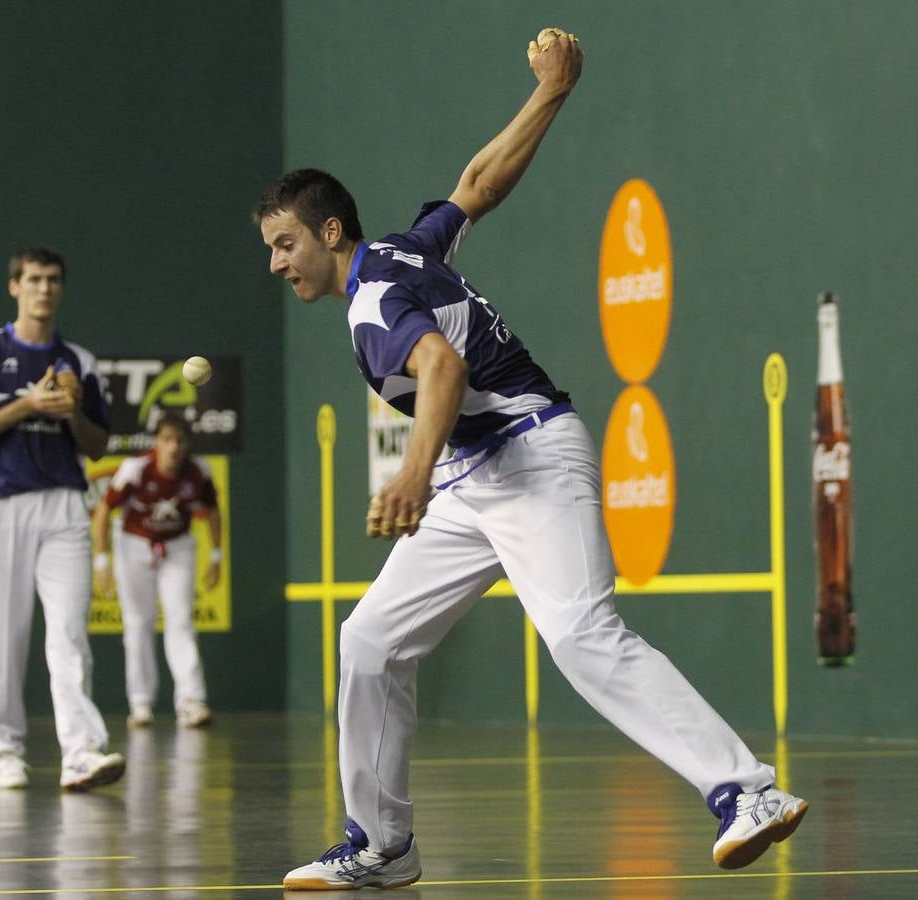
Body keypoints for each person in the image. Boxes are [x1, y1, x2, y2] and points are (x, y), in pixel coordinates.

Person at [254, 30, 807, 891]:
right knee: (368, 641)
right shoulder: (402, 249)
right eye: (269, 249)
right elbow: (477, 187)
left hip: (530, 456)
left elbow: (443, 365)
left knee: (582, 636)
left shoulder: (370, 303)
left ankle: (747, 791)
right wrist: (552, 89)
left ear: (329, 231)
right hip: (471, 482)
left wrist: (407, 471)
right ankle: (382, 844)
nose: (277, 262)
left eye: (285, 243)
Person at [0, 246, 126, 792]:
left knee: (70, 633)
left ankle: (80, 752)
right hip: (2, 505)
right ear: (14, 287)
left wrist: (71, 412)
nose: (43, 289)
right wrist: (27, 404)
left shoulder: (81, 362)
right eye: (33, 280)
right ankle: (6, 751)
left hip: (65, 509)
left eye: (52, 280)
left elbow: (98, 447)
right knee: (1, 635)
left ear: (61, 289)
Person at [92, 410, 221, 729]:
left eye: (179, 440)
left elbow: (214, 510)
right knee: (137, 622)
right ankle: (140, 703)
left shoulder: (198, 472)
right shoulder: (135, 469)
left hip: (177, 547)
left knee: (180, 621)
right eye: (167, 440)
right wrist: (102, 561)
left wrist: (216, 556)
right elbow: (104, 510)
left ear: (187, 445)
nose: (174, 447)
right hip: (133, 546)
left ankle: (190, 701)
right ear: (156, 443)